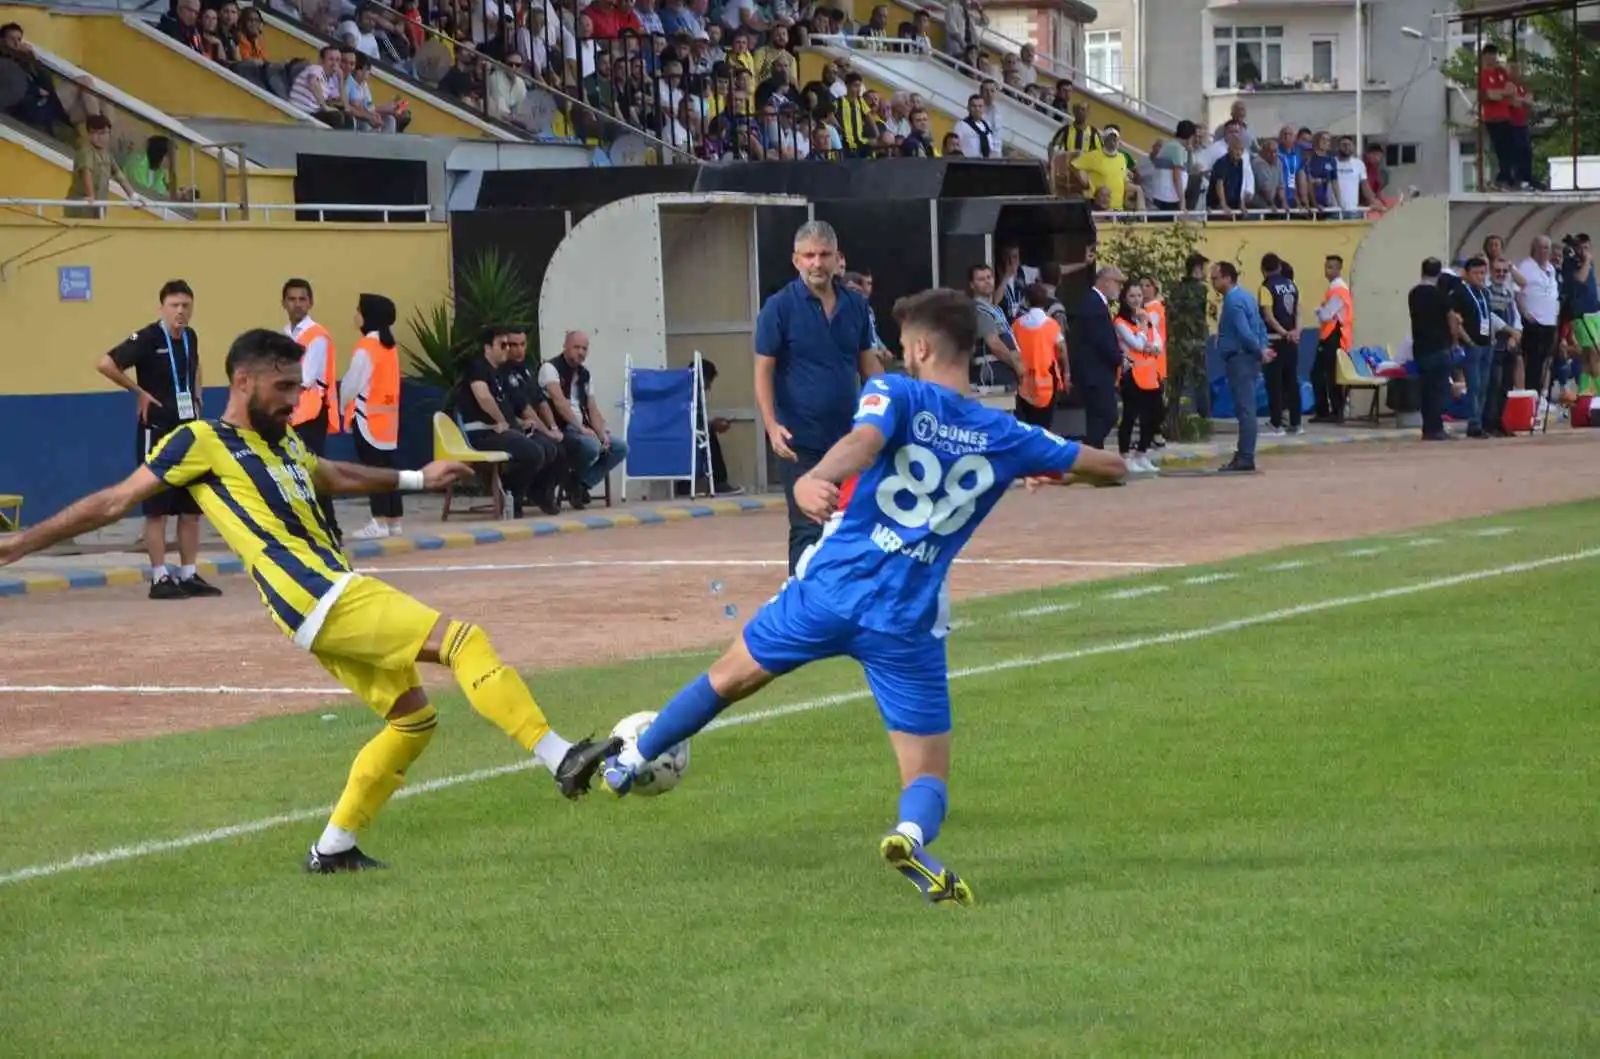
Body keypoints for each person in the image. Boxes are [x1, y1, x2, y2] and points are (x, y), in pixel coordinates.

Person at [0, 329, 618, 871]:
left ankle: (334, 848)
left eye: (299, 387)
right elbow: (112, 502)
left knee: (411, 721)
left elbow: (332, 474)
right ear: (243, 381)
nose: (296, 399)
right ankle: (561, 757)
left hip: (320, 598)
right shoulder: (200, 441)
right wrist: (21, 544)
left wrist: (414, 477)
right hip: (315, 591)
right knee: (464, 642)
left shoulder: (285, 443)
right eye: (285, 387)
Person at [596, 289, 1128, 904]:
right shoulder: (1010, 435)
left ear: (922, 348)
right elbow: (1108, 468)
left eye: (902, 349)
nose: (900, 359)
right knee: (927, 774)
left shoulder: (897, 394)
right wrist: (1058, 470)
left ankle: (632, 761)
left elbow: (865, 442)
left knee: (727, 678)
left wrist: (816, 479)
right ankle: (909, 836)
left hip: (832, 589)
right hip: (906, 618)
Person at [754, 220, 881, 575]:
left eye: (824, 254)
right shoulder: (778, 308)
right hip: (800, 440)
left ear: (838, 259)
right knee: (808, 527)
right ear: (796, 260)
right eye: (809, 255)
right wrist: (771, 425)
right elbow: (763, 370)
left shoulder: (856, 306)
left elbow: (868, 366)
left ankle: (842, 610)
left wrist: (889, 413)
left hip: (849, 439)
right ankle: (801, 608)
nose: (817, 263)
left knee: (850, 525)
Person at [95, 280, 221, 600]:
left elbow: (195, 366)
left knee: (191, 508)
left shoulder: (190, 337)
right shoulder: (149, 337)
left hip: (189, 432)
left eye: (185, 305)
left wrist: (198, 397)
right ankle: (159, 577)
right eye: (174, 305)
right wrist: (137, 392)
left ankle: (189, 573)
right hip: (158, 433)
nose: (180, 311)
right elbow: (105, 363)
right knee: (157, 510)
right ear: (162, 307)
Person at [458, 325, 559, 518]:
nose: (507, 349)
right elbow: (484, 397)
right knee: (533, 451)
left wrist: (520, 423)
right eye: (502, 345)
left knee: (549, 447)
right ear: (488, 348)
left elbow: (511, 404)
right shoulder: (478, 367)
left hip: (503, 430)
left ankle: (521, 495)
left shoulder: (500, 373)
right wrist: (502, 421)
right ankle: (511, 493)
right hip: (484, 433)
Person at [339, 294, 404, 539]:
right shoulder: (389, 347)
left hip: (367, 419)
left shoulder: (367, 346)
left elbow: (352, 384)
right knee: (389, 470)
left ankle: (378, 522)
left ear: (369, 316)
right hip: (388, 422)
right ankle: (394, 521)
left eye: (358, 310)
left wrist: (343, 404)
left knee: (372, 471)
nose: (355, 315)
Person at [282, 278, 342, 543]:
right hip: (291, 414)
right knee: (294, 473)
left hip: (311, 413)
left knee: (313, 472)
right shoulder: (286, 334)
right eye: (292, 299)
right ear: (284, 303)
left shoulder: (317, 335)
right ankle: (307, 528)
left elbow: (306, 378)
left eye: (302, 299)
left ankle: (330, 529)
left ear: (310, 302)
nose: (297, 304)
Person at [1213, 261, 1268, 473]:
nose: (1213, 283)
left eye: (1216, 278)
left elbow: (1244, 332)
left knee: (1245, 409)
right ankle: (1244, 454)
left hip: (1240, 358)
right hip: (1249, 358)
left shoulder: (1233, 301)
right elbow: (1259, 325)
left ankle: (1245, 456)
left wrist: (1259, 350)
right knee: (1247, 408)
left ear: (1227, 278)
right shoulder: (1246, 296)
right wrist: (1262, 348)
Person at [1072, 267, 1126, 449]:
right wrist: (1119, 358)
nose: (1120, 288)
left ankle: (1094, 456)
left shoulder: (1094, 302)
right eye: (1118, 283)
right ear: (1106, 281)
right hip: (1095, 374)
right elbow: (1101, 340)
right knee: (1107, 416)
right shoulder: (1094, 304)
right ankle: (1088, 451)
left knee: (1097, 419)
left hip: (1095, 373)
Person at [1113, 278, 1163, 473]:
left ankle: (1142, 454)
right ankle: (1125, 455)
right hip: (1132, 375)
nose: (1136, 299)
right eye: (1132, 296)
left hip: (1150, 373)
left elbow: (1157, 341)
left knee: (1154, 415)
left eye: (1139, 295)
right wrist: (1143, 329)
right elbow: (1135, 344)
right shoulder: (1120, 322)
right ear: (1124, 299)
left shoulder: (1146, 317)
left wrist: (1153, 346)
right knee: (1130, 415)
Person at [1410, 258, 1455, 441]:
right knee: (1438, 390)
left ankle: (1427, 428)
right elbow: (1452, 319)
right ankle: (1436, 428)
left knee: (1426, 390)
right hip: (1439, 348)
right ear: (1438, 274)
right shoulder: (1441, 296)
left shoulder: (1413, 294)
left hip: (1421, 348)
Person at [1450, 256, 1495, 438]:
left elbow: (1488, 317)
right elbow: (1455, 319)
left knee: (1483, 386)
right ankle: (1473, 423)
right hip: (1472, 346)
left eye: (1483, 273)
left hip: (1486, 345)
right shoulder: (1460, 292)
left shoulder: (1484, 293)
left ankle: (1479, 421)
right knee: (1474, 386)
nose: (1480, 277)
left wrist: (1491, 338)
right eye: (1476, 273)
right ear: (1466, 274)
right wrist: (1468, 341)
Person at [1010, 283, 1067, 428]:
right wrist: (1066, 373)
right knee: (1044, 424)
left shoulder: (1017, 325)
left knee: (1027, 422)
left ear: (1026, 301)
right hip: (1048, 378)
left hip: (1024, 379)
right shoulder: (1051, 325)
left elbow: (1012, 349)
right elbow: (1061, 349)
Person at [1258, 253, 1302, 436]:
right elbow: (1298, 310)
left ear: (1263, 269)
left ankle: (1276, 424)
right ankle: (1296, 423)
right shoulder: (1292, 285)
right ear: (1279, 266)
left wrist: (1283, 334)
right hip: (1293, 341)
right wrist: (1296, 332)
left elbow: (1269, 316)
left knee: (1274, 383)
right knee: (1291, 382)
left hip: (1275, 340)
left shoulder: (1266, 287)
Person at [1310, 254, 1352, 422]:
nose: (1327, 270)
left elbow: (1326, 315)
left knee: (1322, 374)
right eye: (1326, 266)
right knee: (1329, 374)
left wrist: (1318, 310)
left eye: (1331, 267)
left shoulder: (1338, 290)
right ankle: (1334, 410)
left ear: (1339, 269)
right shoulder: (1337, 288)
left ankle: (1329, 411)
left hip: (1333, 336)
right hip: (1334, 336)